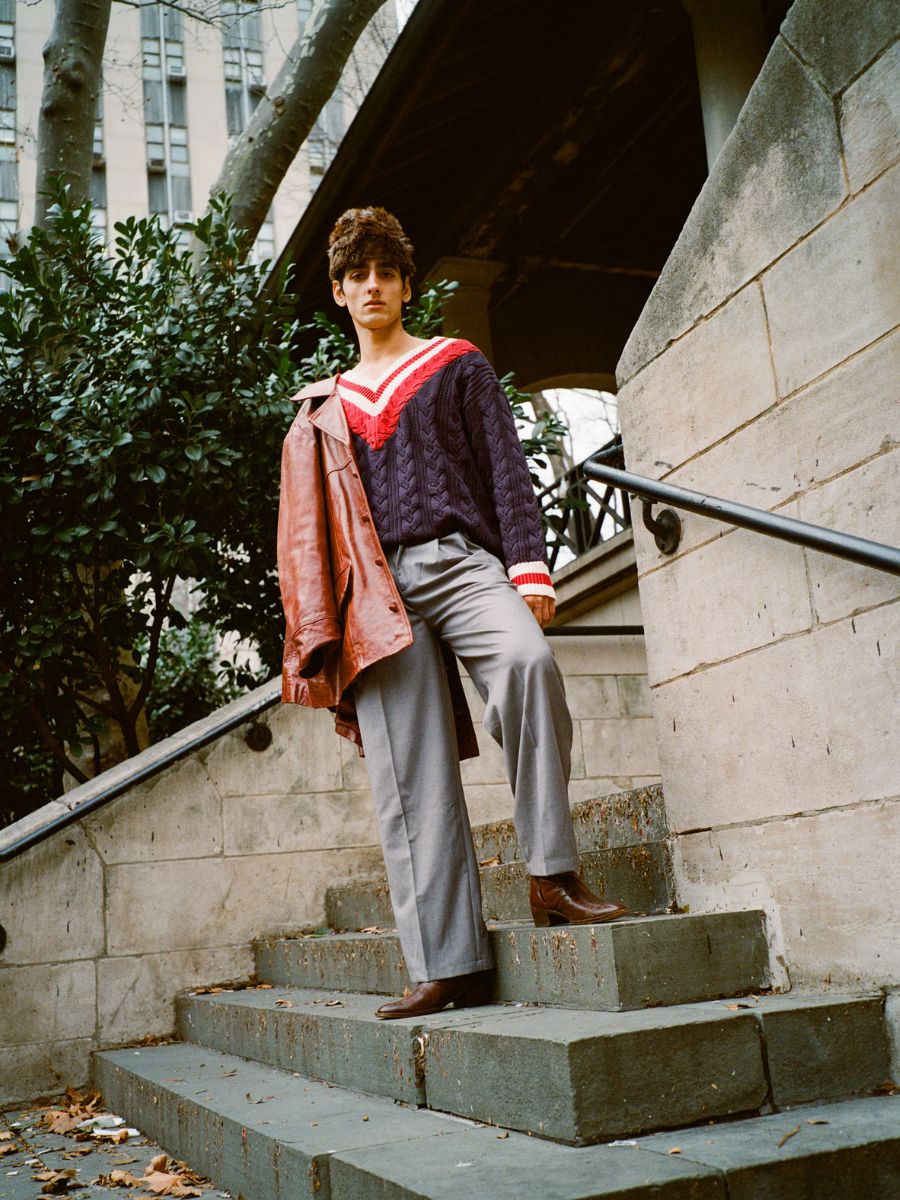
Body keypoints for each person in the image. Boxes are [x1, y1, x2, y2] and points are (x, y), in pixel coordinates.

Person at [278, 206, 626, 1021]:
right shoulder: (321, 407)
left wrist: (529, 570)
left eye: (386, 272)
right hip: (374, 592)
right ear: (338, 292)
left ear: (404, 285)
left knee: (528, 666)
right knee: (409, 774)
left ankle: (551, 874)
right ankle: (446, 962)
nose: (372, 285)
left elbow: (507, 471)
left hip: (462, 564)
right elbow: (309, 535)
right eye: (357, 274)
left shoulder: (454, 364)